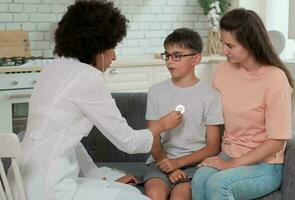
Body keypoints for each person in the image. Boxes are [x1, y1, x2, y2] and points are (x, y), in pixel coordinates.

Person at [7, 1, 182, 200]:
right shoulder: (88, 78)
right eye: (112, 48)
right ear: (98, 49)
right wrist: (161, 125)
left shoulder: (51, 70)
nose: (114, 56)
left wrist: (99, 176)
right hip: (50, 188)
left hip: (19, 182)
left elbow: (70, 142)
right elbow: (129, 142)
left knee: (129, 191)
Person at [191, 8, 295, 200]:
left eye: (230, 46)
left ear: (250, 44)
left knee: (217, 184)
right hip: (227, 153)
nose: (224, 51)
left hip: (265, 165)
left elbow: (277, 141)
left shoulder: (275, 79)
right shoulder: (223, 71)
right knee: (198, 180)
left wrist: (231, 165)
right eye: (223, 43)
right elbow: (213, 117)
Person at [142, 28, 224, 200]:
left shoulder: (211, 96)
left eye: (177, 55)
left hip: (195, 165)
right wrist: (168, 166)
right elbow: (153, 138)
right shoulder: (156, 92)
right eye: (167, 55)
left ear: (196, 59)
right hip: (160, 161)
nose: (170, 61)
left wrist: (177, 164)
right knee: (154, 194)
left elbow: (213, 147)